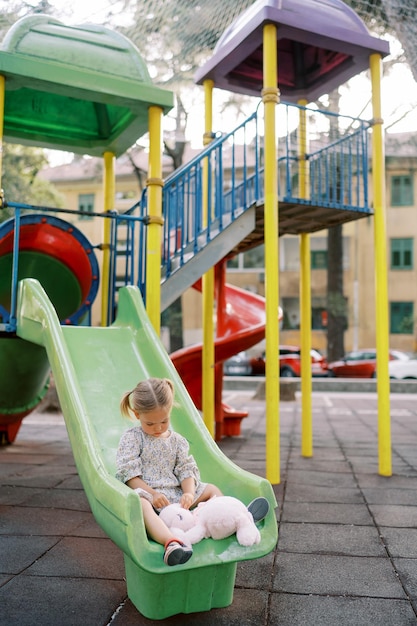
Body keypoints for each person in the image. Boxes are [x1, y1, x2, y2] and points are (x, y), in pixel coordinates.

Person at [116, 377, 269, 566]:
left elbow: (186, 469)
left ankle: (233, 519)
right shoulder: (133, 438)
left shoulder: (177, 441)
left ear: (170, 411)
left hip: (177, 494)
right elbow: (129, 474)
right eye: (150, 423)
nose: (157, 428)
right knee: (140, 503)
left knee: (211, 489)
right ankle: (171, 542)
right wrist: (152, 494)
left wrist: (188, 492)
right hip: (153, 497)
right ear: (137, 414)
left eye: (164, 421)